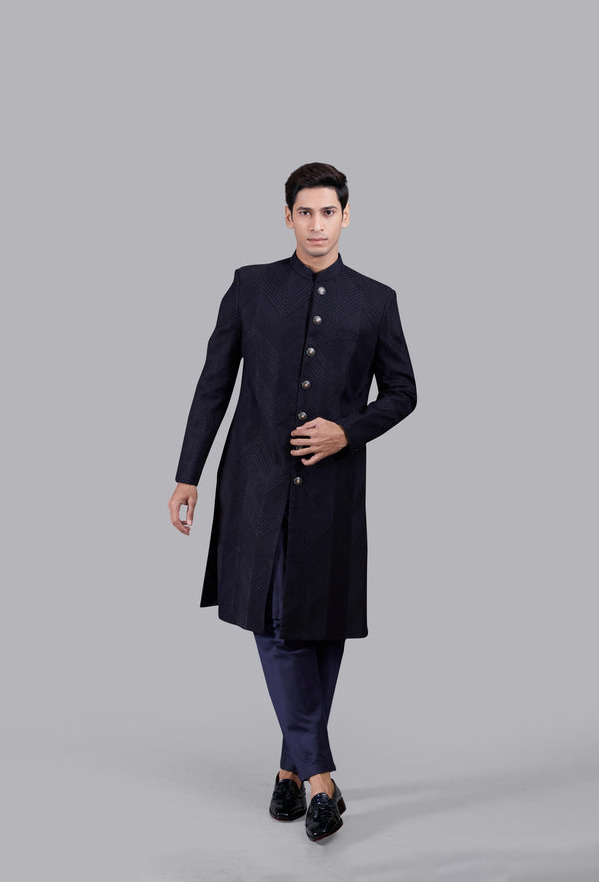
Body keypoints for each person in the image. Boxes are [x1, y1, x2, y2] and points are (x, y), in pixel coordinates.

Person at [168, 162, 417, 842]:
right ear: (287, 217)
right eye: (304, 212)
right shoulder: (250, 286)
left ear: (346, 216)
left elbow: (403, 391)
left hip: (333, 490)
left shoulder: (375, 300)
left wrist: (348, 431)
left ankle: (287, 769)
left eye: (327, 212)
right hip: (256, 483)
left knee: (321, 627)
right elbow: (213, 384)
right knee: (276, 622)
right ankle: (320, 780)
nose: (316, 225)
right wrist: (188, 474)